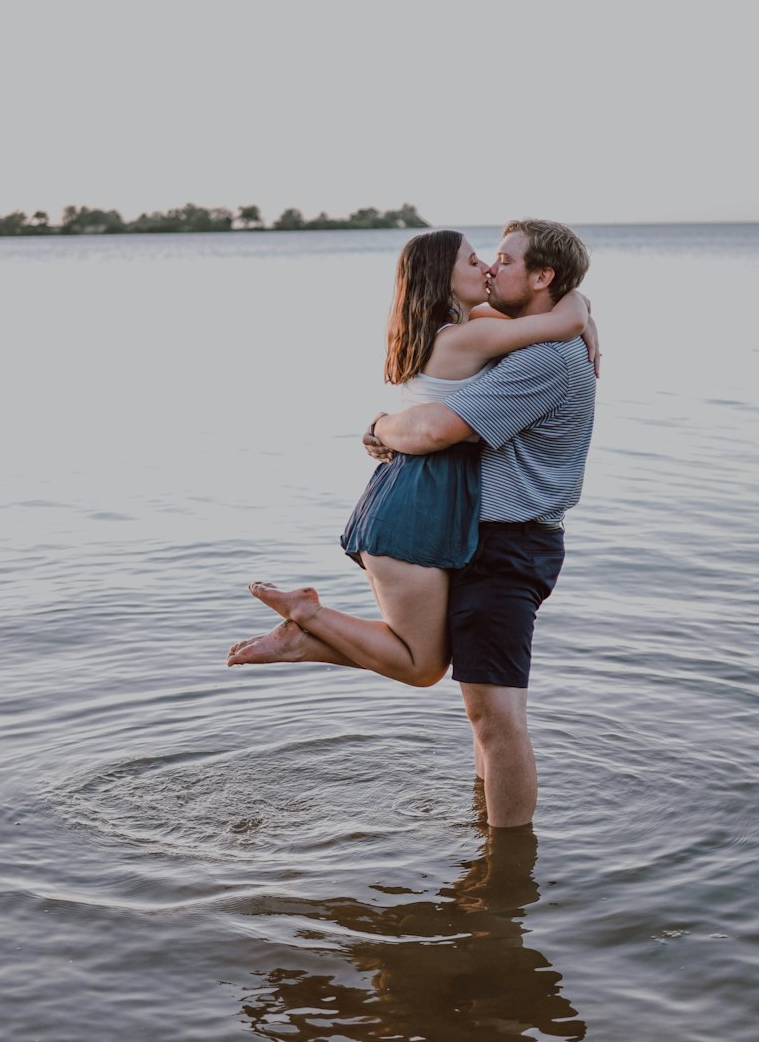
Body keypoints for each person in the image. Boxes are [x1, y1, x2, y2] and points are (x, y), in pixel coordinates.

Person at [227, 227, 596, 746]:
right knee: (422, 667)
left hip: (416, 497)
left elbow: (550, 318)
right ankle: (309, 620)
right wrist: (581, 313)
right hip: (417, 503)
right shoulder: (465, 337)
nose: (487, 269)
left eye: (495, 261)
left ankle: (304, 638)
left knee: (427, 662)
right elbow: (563, 320)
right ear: (444, 283)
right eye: (476, 262)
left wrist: (577, 306)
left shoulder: (448, 328)